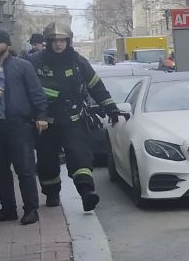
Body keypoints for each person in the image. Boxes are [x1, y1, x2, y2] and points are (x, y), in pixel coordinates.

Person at [30, 22, 123, 211]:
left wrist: (111, 107)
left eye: (62, 40)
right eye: (54, 41)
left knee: (80, 156)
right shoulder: (35, 62)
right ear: (48, 42)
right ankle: (52, 194)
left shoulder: (78, 61)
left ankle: (86, 193)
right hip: (45, 122)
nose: (58, 44)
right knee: (47, 162)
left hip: (74, 119)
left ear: (68, 41)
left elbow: (96, 86)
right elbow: (28, 89)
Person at [0, 29, 49, 225]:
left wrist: (41, 116)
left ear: (8, 44)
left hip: (18, 125)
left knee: (25, 170)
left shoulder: (23, 66)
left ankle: (31, 210)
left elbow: (36, 93)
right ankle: (8, 209)